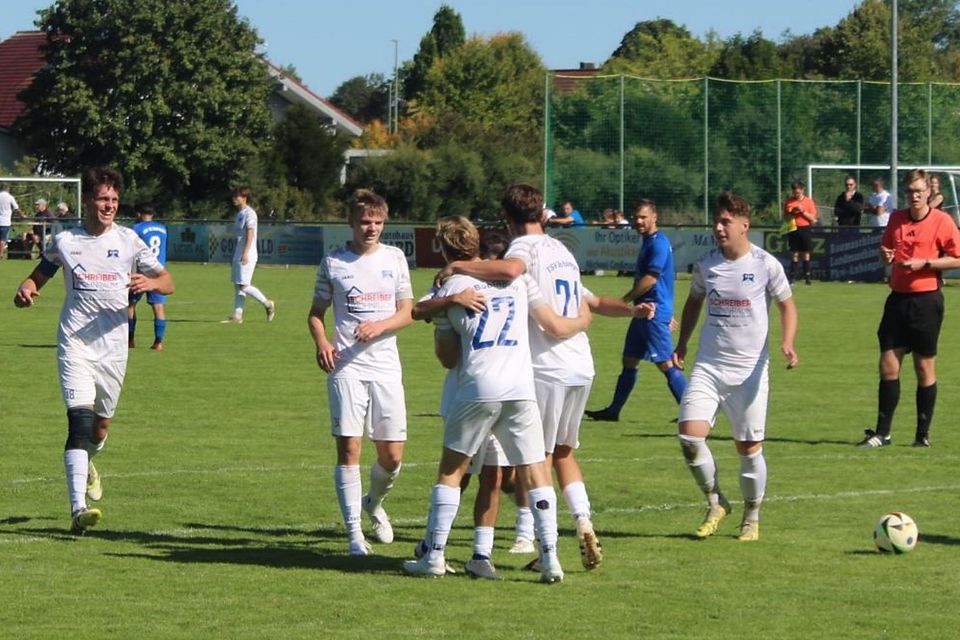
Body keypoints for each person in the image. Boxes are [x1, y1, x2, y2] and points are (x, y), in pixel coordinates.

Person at [439, 184, 655, 572]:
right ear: (542, 213)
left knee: (533, 460)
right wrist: (631, 311)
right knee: (564, 453)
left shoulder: (522, 249)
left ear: (507, 219)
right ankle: (583, 521)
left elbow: (510, 270)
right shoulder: (563, 250)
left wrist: (458, 266)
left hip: (547, 365)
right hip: (580, 366)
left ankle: (542, 547)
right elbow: (592, 301)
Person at [404, 214, 592, 583]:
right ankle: (551, 559)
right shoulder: (518, 279)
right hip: (522, 388)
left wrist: (447, 311)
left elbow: (446, 355)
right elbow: (549, 321)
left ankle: (434, 557)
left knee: (452, 471)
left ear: (443, 248)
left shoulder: (450, 284)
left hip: (478, 387)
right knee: (537, 472)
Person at [13, 166, 174, 534]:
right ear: (87, 200)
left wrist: (150, 281)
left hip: (114, 350)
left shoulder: (130, 241)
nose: (109, 205)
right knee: (79, 421)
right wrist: (25, 290)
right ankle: (77, 508)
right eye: (103, 198)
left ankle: (89, 463)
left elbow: (168, 281)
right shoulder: (65, 240)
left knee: (100, 429)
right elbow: (39, 276)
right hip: (75, 344)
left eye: (115, 200)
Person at [671, 191, 798, 542]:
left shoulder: (765, 264)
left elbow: (787, 306)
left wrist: (787, 342)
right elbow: (694, 302)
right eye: (717, 221)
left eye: (726, 221)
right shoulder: (706, 264)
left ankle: (752, 516)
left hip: (750, 372)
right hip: (710, 365)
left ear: (745, 225)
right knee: (689, 437)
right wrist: (682, 343)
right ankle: (716, 502)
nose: (719, 227)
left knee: (748, 448)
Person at [308, 188, 413, 556]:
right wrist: (322, 343)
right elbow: (316, 314)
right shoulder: (334, 262)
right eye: (365, 221)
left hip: (386, 366)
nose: (372, 228)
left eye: (378, 221)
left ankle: (373, 503)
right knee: (349, 446)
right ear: (351, 222)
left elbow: (407, 312)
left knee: (393, 455)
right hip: (346, 366)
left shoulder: (396, 259)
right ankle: (354, 533)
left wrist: (380, 326)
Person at [857, 169, 960, 449]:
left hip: (926, 301)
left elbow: (956, 258)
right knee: (888, 365)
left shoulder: (942, 221)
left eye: (919, 191)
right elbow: (885, 254)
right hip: (897, 300)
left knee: (924, 367)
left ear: (929, 192)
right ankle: (883, 433)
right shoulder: (896, 218)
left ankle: (922, 435)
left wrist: (925, 263)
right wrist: (885, 256)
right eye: (910, 192)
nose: (914, 196)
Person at [585, 199, 687, 422]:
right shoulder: (649, 241)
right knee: (629, 360)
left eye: (643, 217)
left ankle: (693, 413)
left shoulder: (658, 243)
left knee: (665, 363)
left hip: (652, 310)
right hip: (644, 310)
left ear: (654, 217)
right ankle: (613, 411)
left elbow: (651, 279)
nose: (638, 221)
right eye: (636, 217)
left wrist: (625, 300)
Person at [223, 186, 275, 323]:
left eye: (237, 196)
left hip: (247, 254)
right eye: (234, 196)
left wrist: (245, 253)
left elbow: (250, 234)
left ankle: (267, 304)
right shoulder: (240, 213)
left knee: (244, 285)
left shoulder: (250, 214)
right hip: (238, 252)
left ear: (244, 198)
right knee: (237, 285)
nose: (234, 198)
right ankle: (237, 315)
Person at [128, 203, 169, 351]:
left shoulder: (136, 229)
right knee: (159, 308)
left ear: (139, 214)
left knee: (130, 305)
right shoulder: (163, 229)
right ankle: (158, 342)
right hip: (158, 271)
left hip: (141, 271)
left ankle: (130, 340)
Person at [783, 180, 818, 284]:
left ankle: (807, 277)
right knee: (794, 253)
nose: (796, 194)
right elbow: (785, 217)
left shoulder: (809, 201)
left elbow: (813, 219)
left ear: (802, 190)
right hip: (793, 228)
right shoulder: (789, 201)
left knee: (806, 253)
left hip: (805, 228)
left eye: (798, 192)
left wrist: (803, 211)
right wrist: (792, 212)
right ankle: (792, 278)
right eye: (794, 192)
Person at [0, 182, 23, 259]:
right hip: (5, 221)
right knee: (3, 239)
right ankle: (1, 254)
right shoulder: (10, 197)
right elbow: (16, 208)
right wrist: (22, 215)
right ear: (8, 189)